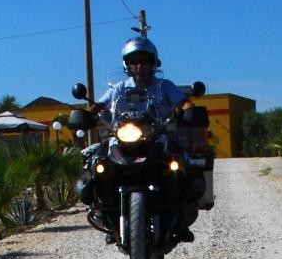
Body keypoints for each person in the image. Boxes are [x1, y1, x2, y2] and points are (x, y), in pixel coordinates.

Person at [78, 37, 202, 240]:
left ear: (153, 63)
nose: (139, 66)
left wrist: (189, 112)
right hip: (123, 135)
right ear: (127, 65)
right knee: (97, 163)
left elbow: (185, 103)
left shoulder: (164, 86)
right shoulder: (119, 88)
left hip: (159, 135)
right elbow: (99, 106)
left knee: (181, 163)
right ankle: (107, 213)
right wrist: (86, 115)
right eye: (134, 61)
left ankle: (180, 216)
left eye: (144, 61)